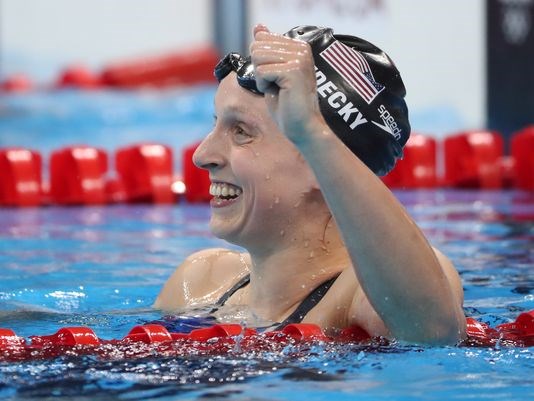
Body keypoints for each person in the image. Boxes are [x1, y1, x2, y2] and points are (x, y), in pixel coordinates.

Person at [154, 24, 466, 344]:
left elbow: (433, 333)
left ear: (320, 163)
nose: (202, 155)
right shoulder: (201, 281)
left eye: (241, 132)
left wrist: (312, 133)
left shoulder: (361, 295)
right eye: (216, 123)